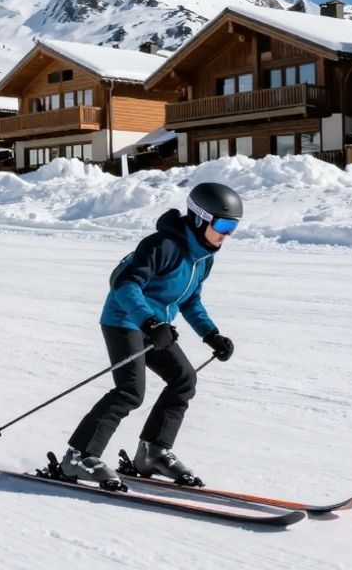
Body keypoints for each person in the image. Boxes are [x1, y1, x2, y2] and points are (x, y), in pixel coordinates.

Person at [59, 183, 240, 490]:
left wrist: (211, 334)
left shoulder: (203, 258)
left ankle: (152, 452)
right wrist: (152, 323)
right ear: (199, 217)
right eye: (222, 224)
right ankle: (78, 457)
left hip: (157, 329)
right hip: (125, 321)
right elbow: (125, 285)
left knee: (184, 380)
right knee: (130, 391)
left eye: (233, 227)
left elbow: (189, 300)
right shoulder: (163, 246)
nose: (226, 233)